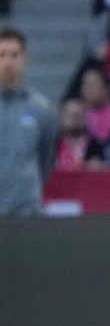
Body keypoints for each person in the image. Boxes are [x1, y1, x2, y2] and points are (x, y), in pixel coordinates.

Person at [0, 26, 57, 216]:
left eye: (14, 54)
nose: (8, 61)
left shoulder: (41, 109)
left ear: (24, 58)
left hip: (26, 212)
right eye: (2, 54)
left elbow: (46, 159)